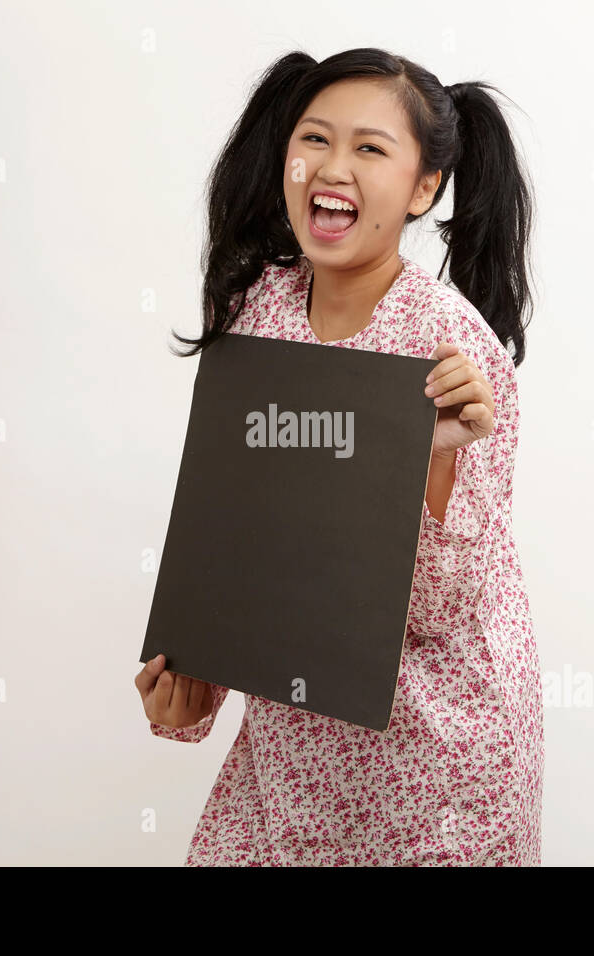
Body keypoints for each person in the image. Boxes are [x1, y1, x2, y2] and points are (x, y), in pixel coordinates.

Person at [134, 47, 542, 865]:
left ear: (425, 188)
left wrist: (433, 458)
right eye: (315, 138)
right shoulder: (256, 317)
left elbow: (440, 610)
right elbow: (244, 533)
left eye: (370, 148)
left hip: (435, 768)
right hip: (294, 759)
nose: (332, 166)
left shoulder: (450, 348)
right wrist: (195, 689)